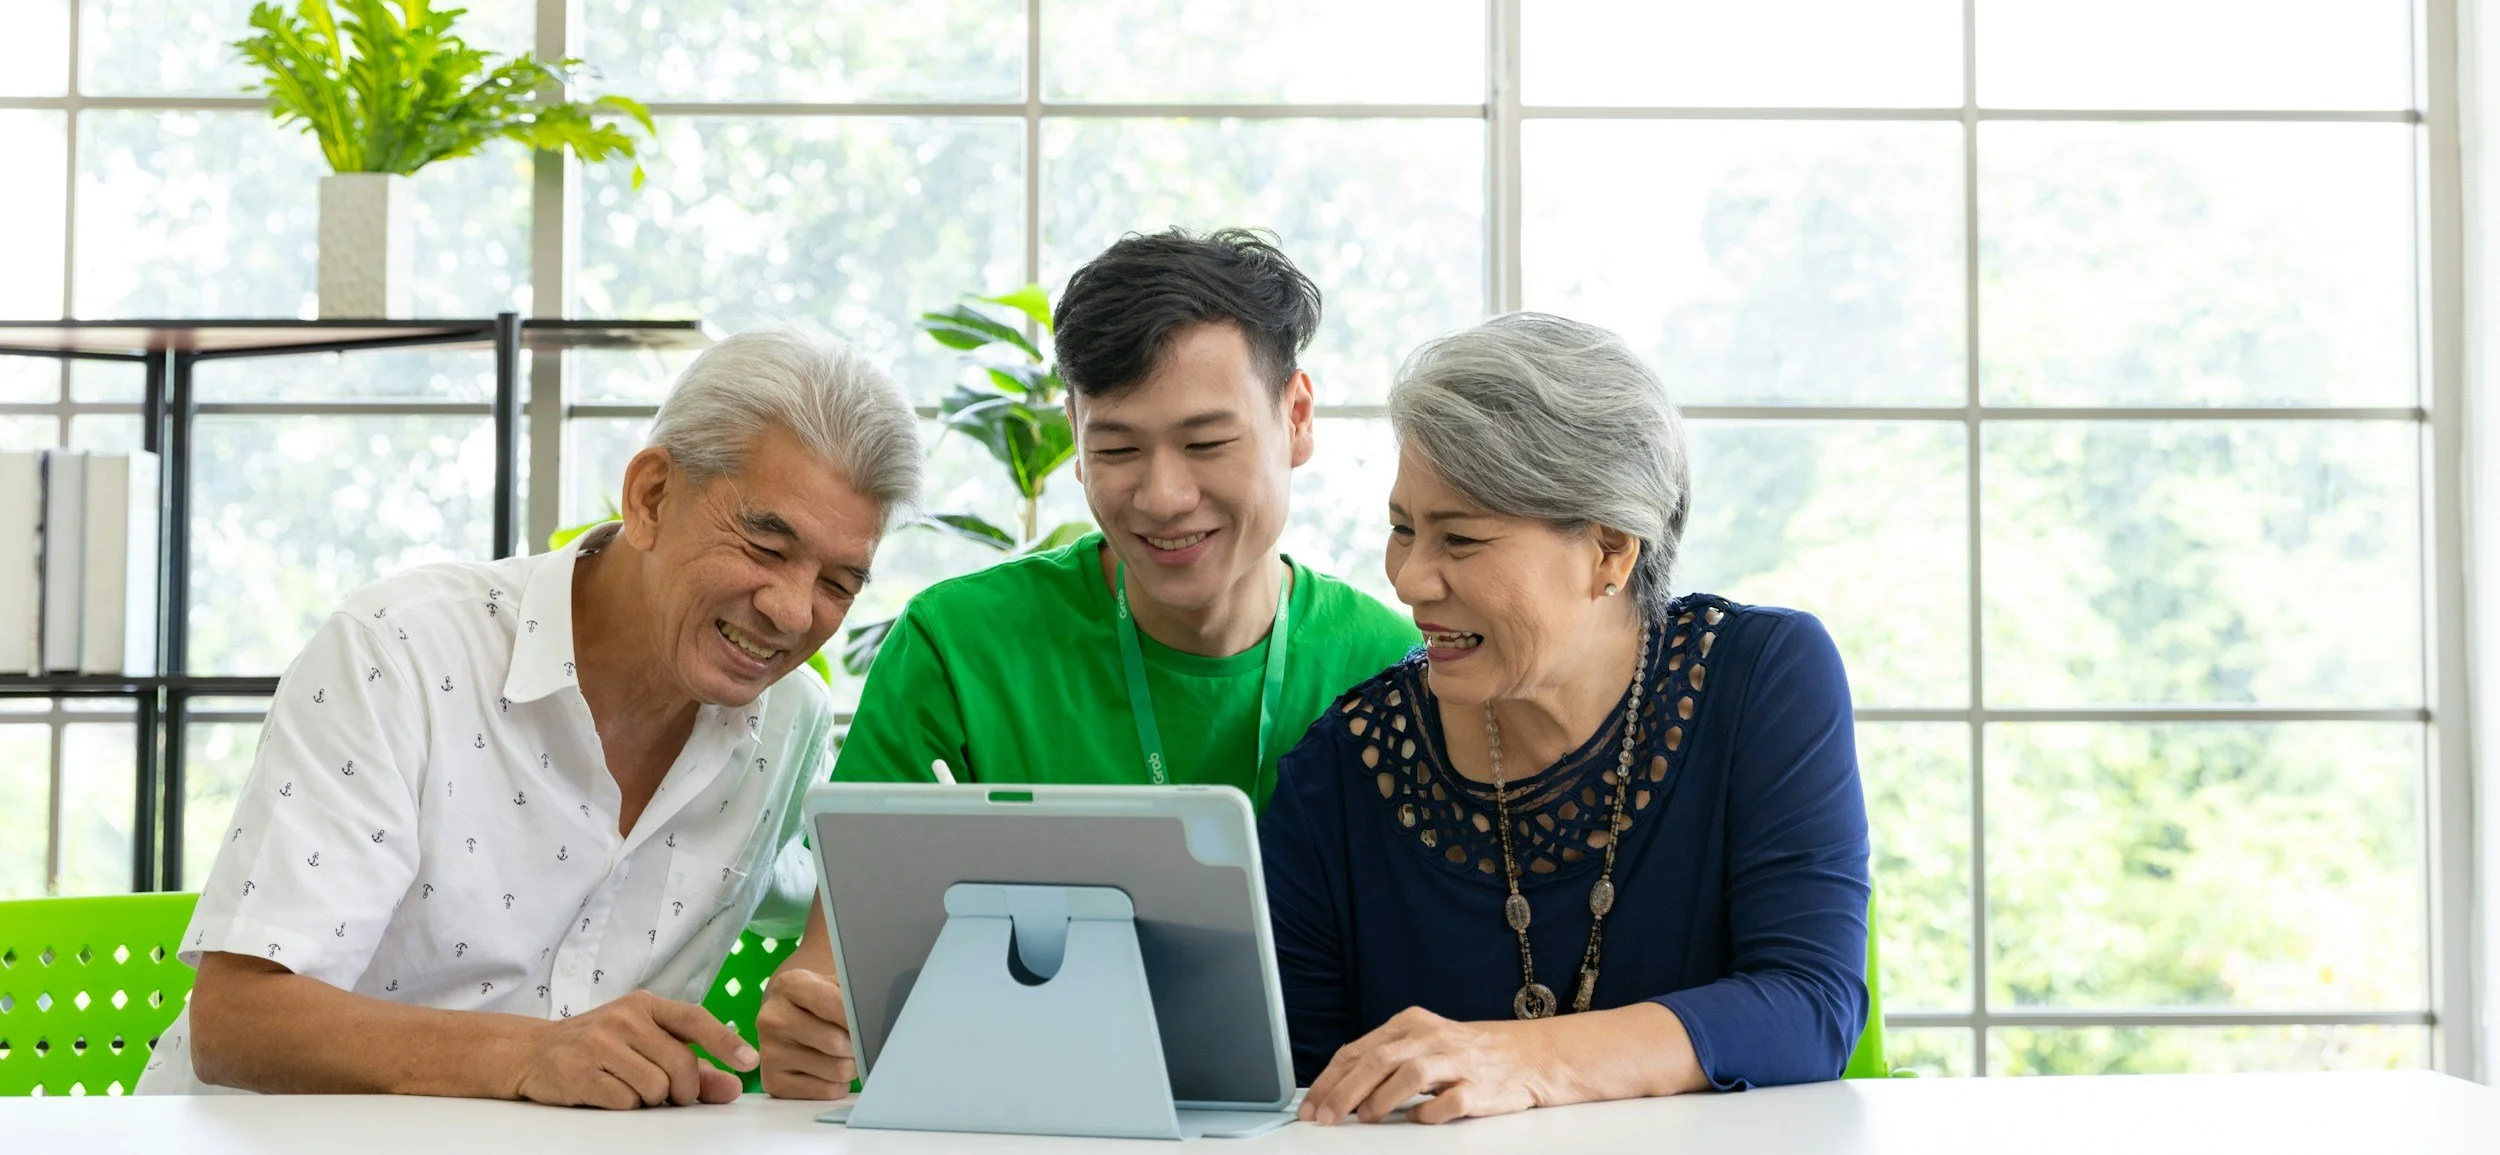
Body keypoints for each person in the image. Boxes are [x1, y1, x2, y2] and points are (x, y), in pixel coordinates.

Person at [139, 328, 922, 1107]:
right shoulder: (402, 650)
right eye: (764, 546)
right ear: (651, 496)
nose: (792, 611)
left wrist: (819, 1010)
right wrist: (530, 1054)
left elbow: (845, 881)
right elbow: (237, 1020)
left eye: (840, 583)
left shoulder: (787, 723)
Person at [756, 228, 1421, 1100]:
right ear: (1074, 433)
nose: (1162, 496)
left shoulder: (1395, 667)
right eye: (1115, 448)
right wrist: (815, 1029)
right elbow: (836, 968)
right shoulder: (960, 646)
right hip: (1018, 1115)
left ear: (1296, 417)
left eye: (1207, 442)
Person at [1260, 313, 1870, 1124]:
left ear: (1611, 551)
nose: (1410, 578)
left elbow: (1808, 1000)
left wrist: (1523, 1057)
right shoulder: (1339, 772)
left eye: (1462, 538)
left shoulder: (1762, 679)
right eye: (1404, 527)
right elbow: (1291, 1100)